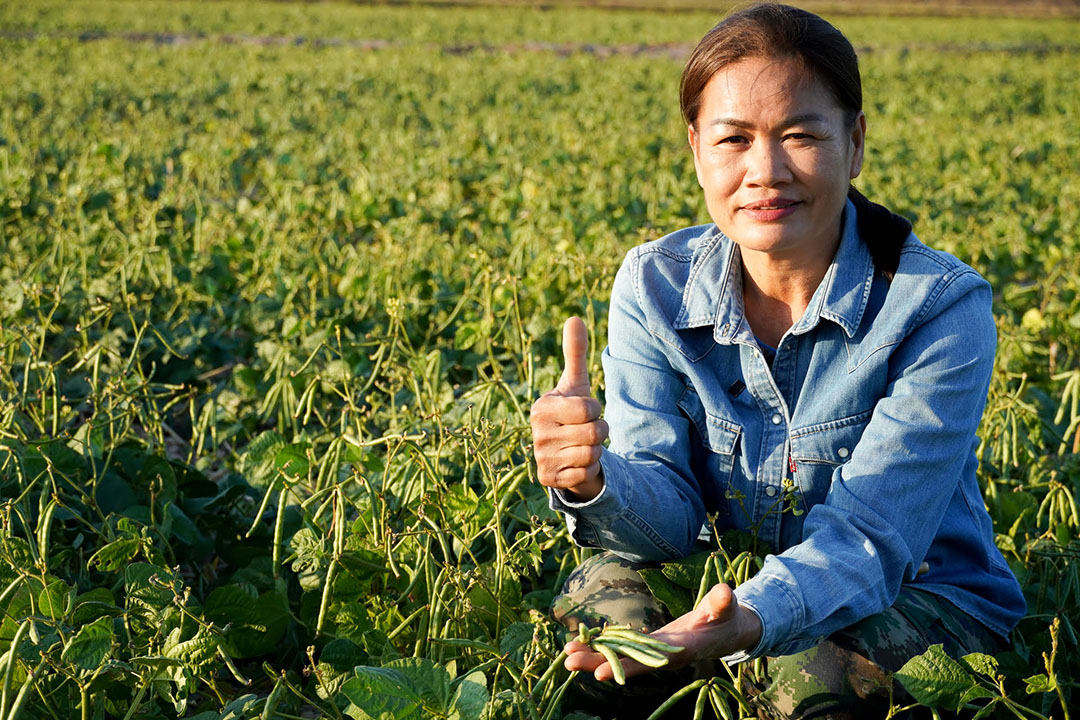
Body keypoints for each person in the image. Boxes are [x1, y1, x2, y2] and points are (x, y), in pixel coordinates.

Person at [528, 3, 1026, 718]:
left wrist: (750, 623)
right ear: (696, 147)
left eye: (800, 135)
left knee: (808, 674)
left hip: (919, 590)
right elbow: (666, 510)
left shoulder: (937, 306)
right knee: (609, 622)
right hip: (732, 581)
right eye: (733, 139)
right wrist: (596, 480)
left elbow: (871, 539)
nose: (765, 171)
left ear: (854, 144)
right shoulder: (653, 284)